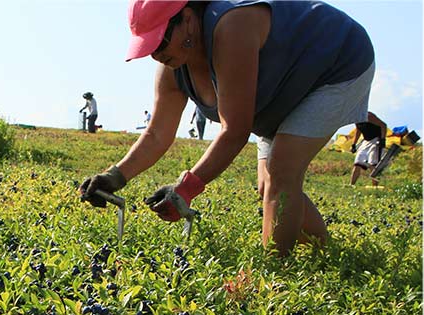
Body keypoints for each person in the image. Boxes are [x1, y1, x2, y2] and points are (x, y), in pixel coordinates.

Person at [79, 0, 374, 256]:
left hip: (336, 62)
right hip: (284, 89)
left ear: (189, 19)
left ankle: (274, 278)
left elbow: (235, 130)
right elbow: (157, 133)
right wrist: (115, 177)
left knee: (281, 172)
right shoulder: (172, 67)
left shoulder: (232, 27)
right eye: (149, 45)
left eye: (160, 39)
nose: (155, 53)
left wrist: (186, 188)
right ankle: (322, 252)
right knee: (267, 185)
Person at [350, 111, 387, 186]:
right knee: (357, 163)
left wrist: (383, 140)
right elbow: (358, 130)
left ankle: (375, 186)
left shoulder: (368, 116)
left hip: (376, 140)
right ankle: (351, 185)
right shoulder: (355, 118)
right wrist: (354, 144)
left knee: (372, 164)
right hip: (366, 141)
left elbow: (383, 125)